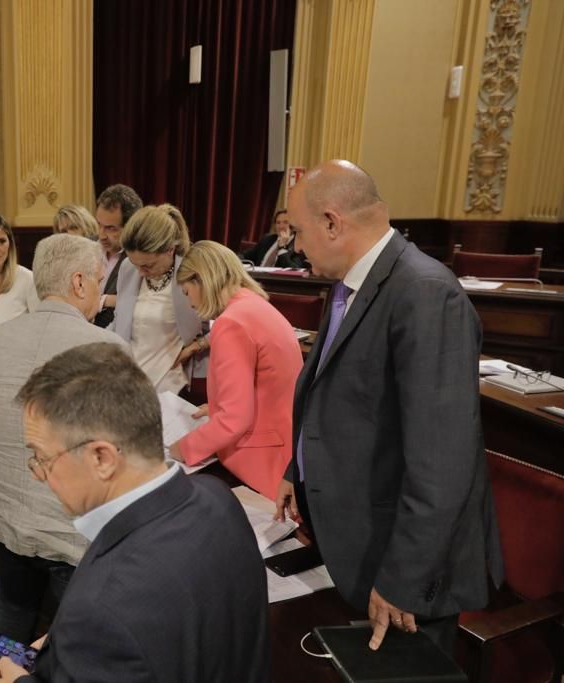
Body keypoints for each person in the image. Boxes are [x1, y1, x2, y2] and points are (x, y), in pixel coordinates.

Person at [274, 160, 503, 655]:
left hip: (406, 563)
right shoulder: (351, 282)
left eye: (298, 230)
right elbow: (331, 394)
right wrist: (299, 468)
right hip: (362, 534)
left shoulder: (424, 294)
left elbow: (442, 464)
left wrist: (403, 577)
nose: (293, 245)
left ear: (333, 223)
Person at [0, 343, 269, 682]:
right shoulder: (218, 498)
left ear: (101, 458)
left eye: (42, 458)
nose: (39, 475)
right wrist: (76, 646)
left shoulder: (100, 610)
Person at [0, 234, 128, 643]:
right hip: (70, 529)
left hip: (5, 517)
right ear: (79, 283)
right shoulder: (108, 347)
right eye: (98, 281)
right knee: (74, 642)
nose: (99, 294)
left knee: (11, 622)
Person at [169, 241, 302, 499]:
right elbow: (266, 385)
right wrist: (217, 405)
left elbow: (234, 419)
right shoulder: (252, 305)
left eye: (186, 292)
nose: (189, 303)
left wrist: (184, 449)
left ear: (202, 280)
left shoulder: (231, 323)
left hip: (260, 458)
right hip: (284, 442)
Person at [113, 203, 206, 395]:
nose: (140, 272)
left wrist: (198, 345)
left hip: (171, 385)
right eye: (135, 263)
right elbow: (121, 323)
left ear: (170, 250)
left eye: (148, 265)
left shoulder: (192, 273)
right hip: (129, 383)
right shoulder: (128, 269)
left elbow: (232, 318)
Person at [92, 184, 143, 328]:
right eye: (99, 224)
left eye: (110, 228)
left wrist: (105, 300)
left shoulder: (141, 258)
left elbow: (144, 303)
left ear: (131, 225)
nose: (101, 235)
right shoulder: (86, 246)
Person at [242, 209, 307, 268]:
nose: (281, 226)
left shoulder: (298, 245)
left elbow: (294, 269)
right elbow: (245, 255)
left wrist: (282, 247)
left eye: (285, 222)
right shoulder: (268, 239)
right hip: (256, 277)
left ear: (293, 225)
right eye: (278, 222)